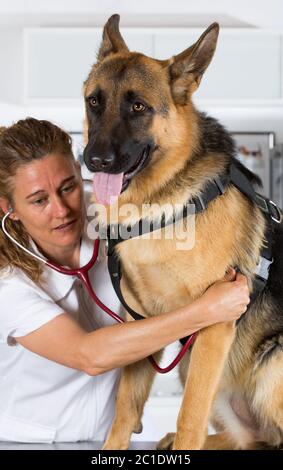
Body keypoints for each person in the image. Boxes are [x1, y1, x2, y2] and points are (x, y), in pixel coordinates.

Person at [0, 118, 250, 444]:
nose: (61, 210)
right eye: (38, 200)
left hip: (111, 442)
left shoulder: (120, 218)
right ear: (10, 209)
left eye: (68, 187)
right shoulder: (8, 284)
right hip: (32, 442)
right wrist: (207, 310)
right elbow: (89, 355)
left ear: (80, 171)